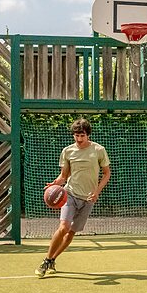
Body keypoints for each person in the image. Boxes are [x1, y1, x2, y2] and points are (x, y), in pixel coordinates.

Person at [36, 118, 111, 277]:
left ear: (88, 134)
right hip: (69, 194)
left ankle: (53, 259)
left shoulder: (98, 150)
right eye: (76, 135)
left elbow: (106, 174)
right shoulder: (67, 151)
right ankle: (46, 259)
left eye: (82, 135)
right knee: (63, 227)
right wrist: (55, 184)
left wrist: (97, 191)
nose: (79, 139)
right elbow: (64, 175)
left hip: (88, 199)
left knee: (71, 233)